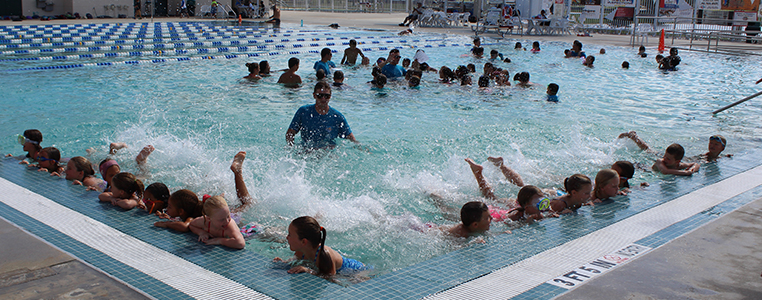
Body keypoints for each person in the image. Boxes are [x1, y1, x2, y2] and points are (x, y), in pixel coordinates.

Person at [274, 216, 369, 276]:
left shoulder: (324, 255)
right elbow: (294, 261)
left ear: (303, 241)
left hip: (357, 271)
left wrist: (308, 270)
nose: (286, 237)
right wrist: (284, 262)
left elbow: (331, 278)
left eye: (290, 235)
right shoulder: (300, 251)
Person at [286, 82, 358, 149]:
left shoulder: (337, 117)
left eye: (326, 96)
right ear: (314, 95)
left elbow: (352, 139)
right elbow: (290, 133)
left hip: (328, 155)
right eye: (320, 95)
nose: (323, 98)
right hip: (307, 152)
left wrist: (360, 148)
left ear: (330, 96)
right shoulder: (304, 112)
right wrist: (291, 149)